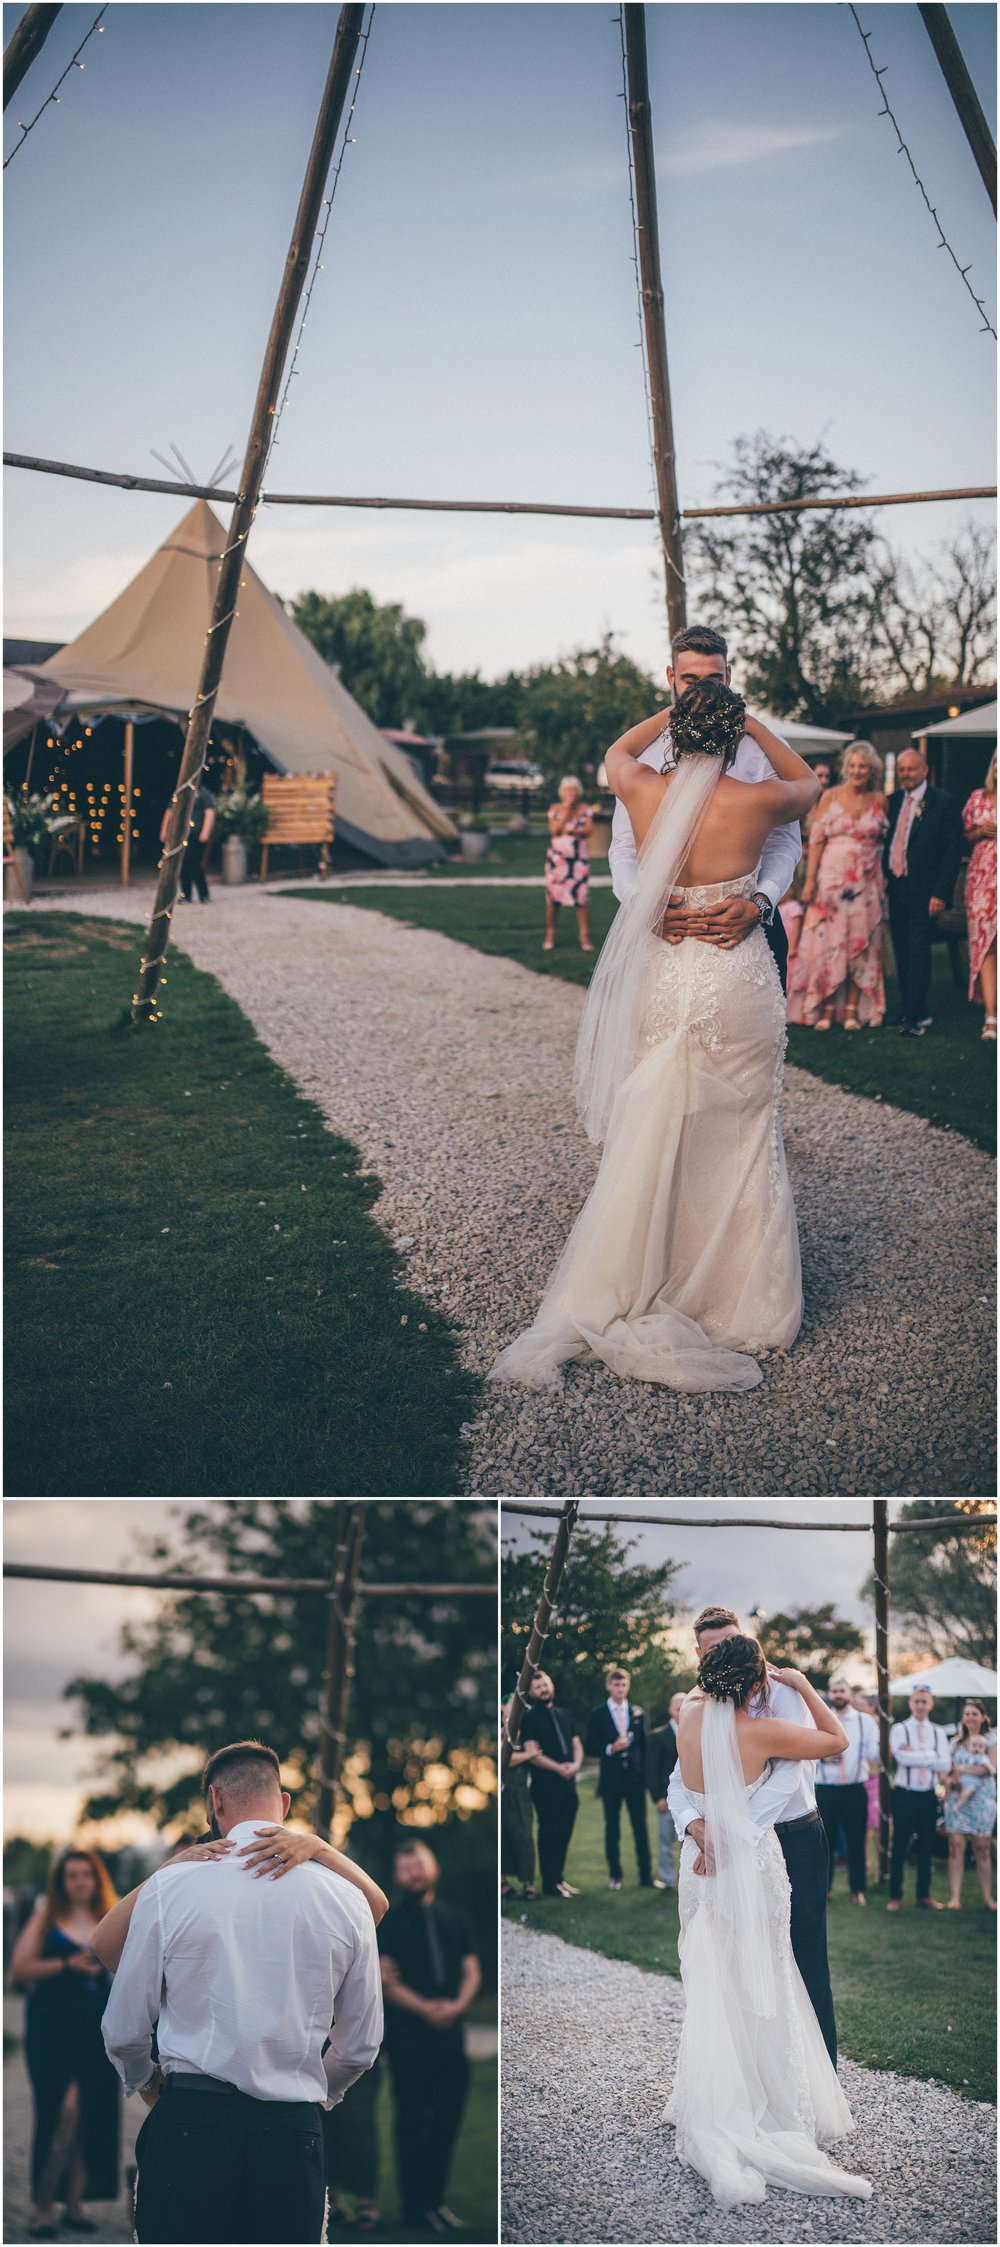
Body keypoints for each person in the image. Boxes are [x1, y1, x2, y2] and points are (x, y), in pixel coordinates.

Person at [489, 676, 820, 1395]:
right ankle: (739, 1300)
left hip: (668, 973)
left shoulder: (639, 786)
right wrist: (751, 723)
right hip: (734, 975)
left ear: (677, 730)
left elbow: (616, 749)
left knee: (660, 1123)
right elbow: (809, 781)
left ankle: (649, 1273)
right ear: (731, 734)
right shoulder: (758, 798)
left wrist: (676, 713)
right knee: (743, 1128)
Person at [99, 1738, 383, 2244]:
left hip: (190, 2122)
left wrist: (148, 2083)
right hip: (293, 2133)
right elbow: (359, 2046)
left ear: (215, 1801)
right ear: (286, 1804)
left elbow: (123, 2030)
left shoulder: (172, 1886)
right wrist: (315, 2098)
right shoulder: (347, 1899)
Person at [664, 1634, 871, 2208]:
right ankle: (774, 2101)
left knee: (716, 1978)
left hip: (702, 1866)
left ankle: (721, 2094)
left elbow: (684, 1785)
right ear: (756, 1684)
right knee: (768, 1975)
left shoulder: (688, 1716)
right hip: (749, 1866)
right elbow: (838, 1738)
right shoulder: (758, 1731)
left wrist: (704, 1832)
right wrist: (803, 1684)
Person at [668, 1606, 838, 2065]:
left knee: (802, 1962)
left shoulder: (780, 1692)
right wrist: (696, 1826)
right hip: (724, 1844)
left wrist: (729, 1834)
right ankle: (746, 2081)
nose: (724, 1653)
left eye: (730, 1642)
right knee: (735, 1968)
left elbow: (785, 1779)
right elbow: (677, 1779)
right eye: (714, 1648)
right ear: (699, 1653)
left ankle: (820, 2080)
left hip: (792, 1836)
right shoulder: (696, 1706)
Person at [608, 625, 802, 993]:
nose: (703, 690)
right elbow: (623, 847)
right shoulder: (644, 753)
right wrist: (641, 906)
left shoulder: (765, 751)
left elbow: (785, 842)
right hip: (661, 930)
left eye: (714, 678)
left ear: (728, 676)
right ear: (671, 678)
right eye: (690, 680)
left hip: (745, 931)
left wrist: (761, 903)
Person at [11, 1848, 122, 2242]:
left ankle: (74, 2204)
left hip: (96, 2033)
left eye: (85, 1875)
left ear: (96, 1879)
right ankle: (43, 2209)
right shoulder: (46, 1918)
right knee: (59, 2112)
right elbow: (18, 1971)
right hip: (52, 2032)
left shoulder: (109, 1918)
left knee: (88, 2114)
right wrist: (66, 1965)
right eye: (71, 1875)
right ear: (61, 1881)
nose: (78, 1881)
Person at [378, 1841, 481, 2236]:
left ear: (432, 1867)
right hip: (409, 2038)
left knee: (446, 2122)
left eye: (419, 1865)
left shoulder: (453, 1917)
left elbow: (471, 1970)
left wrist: (456, 2006)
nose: (414, 1874)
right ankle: (414, 2207)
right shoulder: (387, 1922)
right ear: (396, 1875)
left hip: (452, 2036)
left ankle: (436, 2202)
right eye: (406, 1869)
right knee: (412, 2122)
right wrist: (426, 2008)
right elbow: (387, 1981)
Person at [787, 742, 888, 1029]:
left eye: (863, 767)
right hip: (830, 882)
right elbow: (816, 841)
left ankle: (854, 1010)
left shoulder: (879, 800)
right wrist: (809, 882)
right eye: (853, 766)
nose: (858, 771)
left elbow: (884, 845)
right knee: (827, 943)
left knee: (862, 944)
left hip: (867, 885)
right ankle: (827, 1007)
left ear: (872, 771)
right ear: (846, 769)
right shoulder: (829, 796)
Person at [883, 747, 963, 1036]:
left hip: (925, 891)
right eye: (901, 770)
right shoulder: (892, 802)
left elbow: (952, 851)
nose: (905, 774)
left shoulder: (943, 803)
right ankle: (908, 1010)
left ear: (924, 770)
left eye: (911, 769)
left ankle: (917, 1016)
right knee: (903, 950)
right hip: (897, 887)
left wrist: (941, 893)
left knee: (918, 950)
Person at [585, 1668, 653, 1891]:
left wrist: (642, 1771)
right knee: (612, 1828)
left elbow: (643, 1745)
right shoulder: (598, 1713)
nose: (621, 1689)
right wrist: (610, 1748)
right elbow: (589, 1745)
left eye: (624, 1685)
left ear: (628, 1686)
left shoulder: (636, 1712)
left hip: (634, 1778)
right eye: (617, 1685)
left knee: (640, 1827)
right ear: (608, 1686)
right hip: (611, 1778)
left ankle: (646, 1876)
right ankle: (615, 1875)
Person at [814, 1676, 879, 1903]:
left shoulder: (865, 1722)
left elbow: (875, 1754)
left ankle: (857, 1890)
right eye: (834, 1691)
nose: (838, 1695)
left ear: (850, 1694)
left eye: (842, 1690)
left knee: (856, 1840)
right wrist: (823, 1757)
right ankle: (825, 1889)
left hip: (854, 1789)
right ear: (830, 1695)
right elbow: (807, 1750)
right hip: (826, 1789)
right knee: (825, 1841)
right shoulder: (819, 1718)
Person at [519, 1671, 583, 1897]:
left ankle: (558, 1878)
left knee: (565, 1831)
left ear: (551, 1685)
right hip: (545, 1785)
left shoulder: (564, 1714)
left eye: (545, 1684)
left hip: (569, 1783)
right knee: (549, 1833)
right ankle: (549, 1882)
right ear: (531, 1692)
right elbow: (532, 1753)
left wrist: (575, 1766)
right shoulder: (529, 1718)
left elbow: (576, 1744)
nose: (543, 1689)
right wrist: (559, 1768)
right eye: (537, 1687)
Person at [887, 1686, 952, 1910]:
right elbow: (901, 1759)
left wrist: (915, 1755)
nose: (921, 1705)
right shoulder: (899, 1729)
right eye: (917, 1701)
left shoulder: (938, 1732)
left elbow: (945, 1764)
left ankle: (923, 1895)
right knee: (900, 1845)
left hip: (928, 1795)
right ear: (910, 1704)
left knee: (926, 1845)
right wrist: (931, 1755)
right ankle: (895, 1895)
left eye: (925, 1702)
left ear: (931, 1704)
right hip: (905, 1794)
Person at [942, 1698, 997, 1910]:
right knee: (956, 1846)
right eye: (967, 1714)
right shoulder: (955, 1743)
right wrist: (952, 1779)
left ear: (983, 1717)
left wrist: (962, 1770)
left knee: (982, 1848)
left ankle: (988, 1897)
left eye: (974, 1713)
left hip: (982, 1800)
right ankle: (954, 1897)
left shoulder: (991, 1740)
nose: (970, 1717)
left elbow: (991, 1768)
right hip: (957, 1800)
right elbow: (948, 1771)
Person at [962, 752, 997, 1039]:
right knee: (987, 945)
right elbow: (966, 835)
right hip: (982, 879)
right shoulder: (977, 797)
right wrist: (980, 831)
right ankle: (990, 1016)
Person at [544, 776, 594, 952]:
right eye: (567, 790)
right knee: (553, 898)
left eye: (573, 790)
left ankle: (584, 936)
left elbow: (589, 830)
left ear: (578, 792)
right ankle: (550, 934)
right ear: (562, 792)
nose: (570, 794)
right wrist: (566, 810)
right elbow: (555, 830)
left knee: (581, 897)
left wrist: (573, 830)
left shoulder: (585, 809)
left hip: (578, 860)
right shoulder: (555, 809)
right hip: (557, 860)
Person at [646, 1692, 684, 1892]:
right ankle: (668, 1881)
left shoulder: (694, 1732)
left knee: (687, 1843)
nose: (682, 1712)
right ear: (671, 1710)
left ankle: (688, 1880)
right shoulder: (658, 1736)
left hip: (690, 1798)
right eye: (679, 1708)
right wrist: (657, 1797)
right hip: (666, 1798)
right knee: (666, 1841)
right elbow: (651, 1770)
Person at [500, 1695, 538, 1900]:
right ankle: (502, 1881)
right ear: (502, 1707)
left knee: (524, 1833)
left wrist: (528, 1755)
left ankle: (528, 1882)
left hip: (521, 1790)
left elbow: (535, 1753)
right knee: (502, 1836)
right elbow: (504, 1757)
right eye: (511, 1704)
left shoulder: (526, 1731)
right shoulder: (501, 1731)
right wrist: (527, 1756)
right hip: (503, 1790)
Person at [161, 778, 216, 904]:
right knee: (182, 865)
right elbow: (169, 811)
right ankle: (186, 894)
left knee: (194, 864)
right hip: (180, 835)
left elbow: (209, 812)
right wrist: (164, 830)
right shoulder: (179, 792)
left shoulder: (202, 793)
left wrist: (205, 832)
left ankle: (204, 894)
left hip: (195, 834)